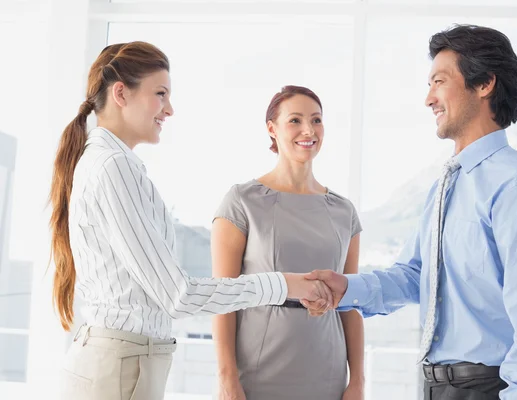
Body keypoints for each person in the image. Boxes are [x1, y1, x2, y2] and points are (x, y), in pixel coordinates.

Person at [48, 42, 332, 400]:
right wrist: (286, 285)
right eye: (160, 94)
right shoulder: (112, 167)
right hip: (118, 369)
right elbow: (178, 297)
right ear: (121, 93)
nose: (169, 109)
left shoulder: (114, 165)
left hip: (123, 365)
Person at [304, 25, 517, 400]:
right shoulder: (445, 185)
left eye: (439, 82)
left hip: (491, 389)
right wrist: (346, 287)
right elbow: (415, 276)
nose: (429, 99)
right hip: (437, 387)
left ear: (484, 84)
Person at [212, 85, 364, 400]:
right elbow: (222, 298)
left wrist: (358, 381)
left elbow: (351, 305)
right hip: (258, 372)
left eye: (317, 120)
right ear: (272, 128)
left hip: (327, 371)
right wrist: (227, 381)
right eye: (295, 120)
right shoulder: (242, 201)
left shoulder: (344, 211)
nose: (308, 130)